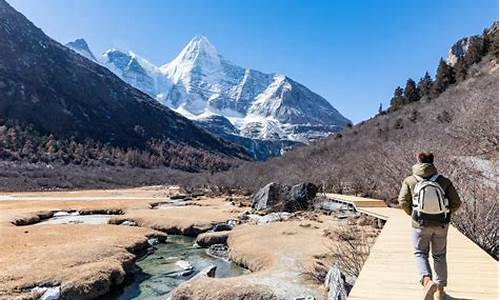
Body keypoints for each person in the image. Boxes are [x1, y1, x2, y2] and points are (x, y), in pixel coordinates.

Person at [398, 152, 461, 300]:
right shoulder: (444, 181)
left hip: (419, 224)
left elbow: (402, 201)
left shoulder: (410, 180)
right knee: (439, 256)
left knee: (420, 253)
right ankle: (440, 291)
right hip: (441, 225)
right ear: (433, 163)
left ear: (418, 161)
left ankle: (427, 282)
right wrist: (445, 212)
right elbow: (457, 203)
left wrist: (413, 214)